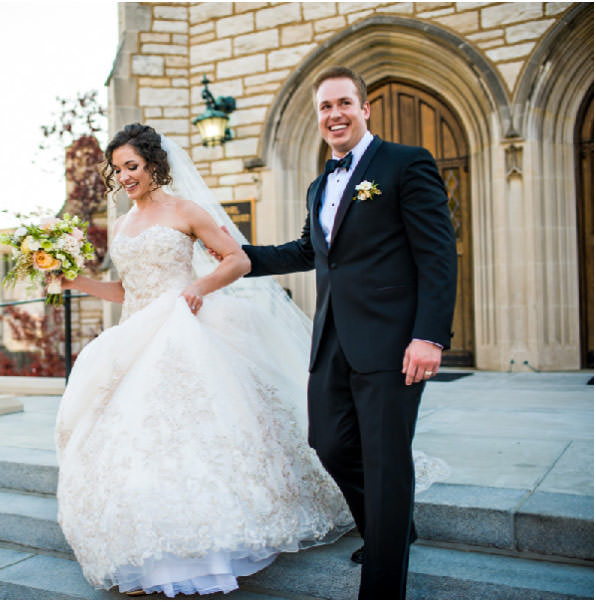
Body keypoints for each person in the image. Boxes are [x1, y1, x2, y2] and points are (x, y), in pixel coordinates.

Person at [54, 123, 357, 597]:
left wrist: (197, 286)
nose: (125, 177)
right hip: (134, 335)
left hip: (181, 331)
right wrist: (76, 283)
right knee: (129, 440)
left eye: (131, 166)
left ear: (153, 164)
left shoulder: (185, 210)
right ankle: (138, 546)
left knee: (188, 433)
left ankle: (206, 548)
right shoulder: (124, 223)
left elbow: (235, 259)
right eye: (117, 170)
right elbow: (125, 291)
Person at [237, 67, 458, 599]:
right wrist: (235, 256)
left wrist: (429, 335)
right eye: (324, 108)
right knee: (329, 444)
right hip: (331, 340)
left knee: (386, 459)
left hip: (392, 342)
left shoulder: (405, 163)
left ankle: (381, 585)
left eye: (343, 103)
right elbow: (307, 252)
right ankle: (393, 526)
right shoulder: (319, 184)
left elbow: (437, 254)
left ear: (364, 109)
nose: (333, 115)